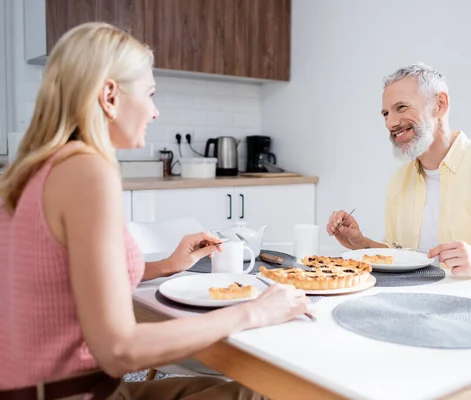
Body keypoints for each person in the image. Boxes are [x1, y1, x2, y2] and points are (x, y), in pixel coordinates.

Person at [0, 22, 309, 399]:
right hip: (78, 392)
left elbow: (73, 280)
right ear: (109, 95)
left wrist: (166, 265)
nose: (155, 111)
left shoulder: (29, 171)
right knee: (265, 391)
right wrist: (254, 313)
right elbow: (118, 350)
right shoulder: (87, 170)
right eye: (149, 93)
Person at [326, 63, 471, 289]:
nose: (391, 123)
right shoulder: (399, 181)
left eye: (401, 108)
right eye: (385, 113)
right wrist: (361, 243)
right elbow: (401, 256)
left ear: (439, 104)